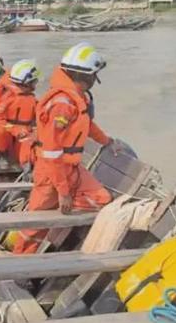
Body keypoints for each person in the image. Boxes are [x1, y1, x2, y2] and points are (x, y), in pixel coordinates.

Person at [13, 42, 122, 254]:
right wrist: (63, 192)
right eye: (94, 75)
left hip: (70, 167)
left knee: (102, 199)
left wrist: (107, 141)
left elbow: (86, 125)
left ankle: (63, 216)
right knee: (35, 226)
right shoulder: (62, 103)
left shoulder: (74, 98)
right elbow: (52, 153)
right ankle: (20, 263)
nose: (95, 80)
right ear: (84, 75)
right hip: (52, 171)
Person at [0, 59, 40, 169]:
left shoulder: (33, 100)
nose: (35, 84)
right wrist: (15, 129)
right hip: (9, 136)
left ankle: (28, 165)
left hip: (23, 137)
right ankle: (2, 155)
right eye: (34, 82)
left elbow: (39, 120)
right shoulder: (7, 99)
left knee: (35, 140)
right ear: (27, 83)